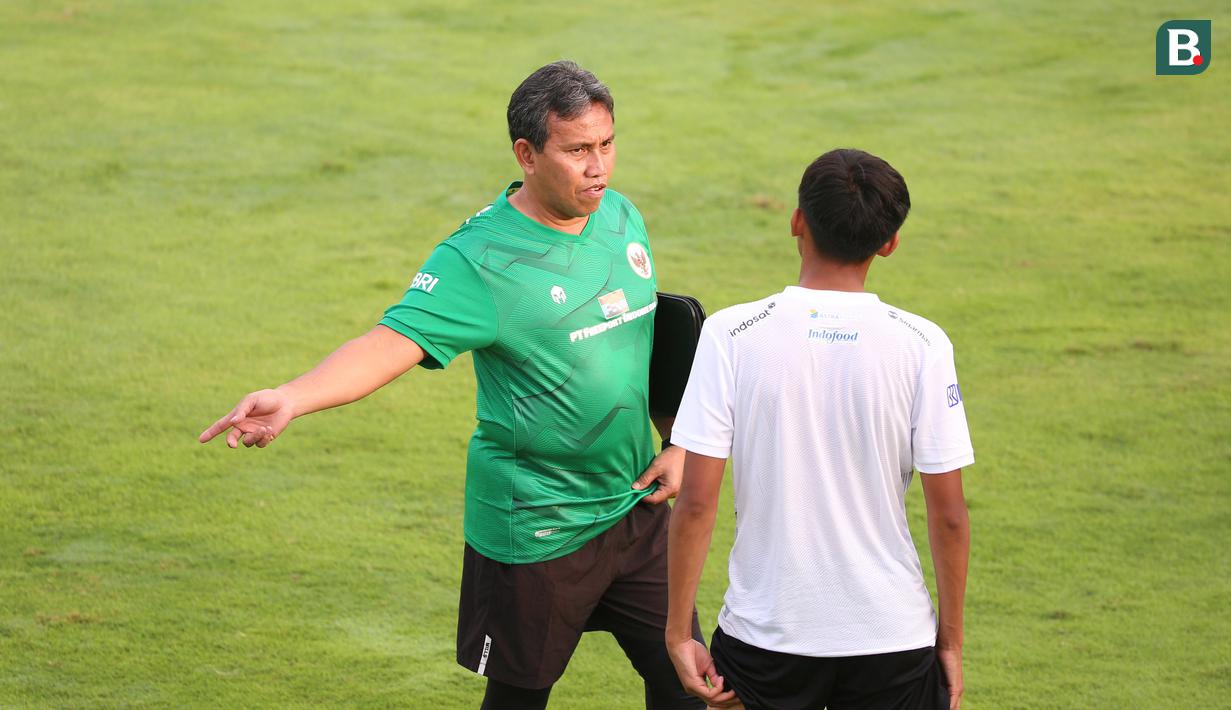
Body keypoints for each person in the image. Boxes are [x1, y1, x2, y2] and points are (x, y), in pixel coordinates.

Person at [199, 60, 704, 710]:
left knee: (690, 685)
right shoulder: (477, 260)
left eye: (607, 144)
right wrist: (294, 396)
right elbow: (387, 344)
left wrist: (679, 440)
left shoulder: (620, 217)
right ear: (526, 154)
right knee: (517, 701)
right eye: (578, 150)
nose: (598, 167)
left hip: (634, 507)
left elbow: (649, 342)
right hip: (537, 527)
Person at [665, 149, 974, 710]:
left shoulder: (731, 335)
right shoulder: (924, 344)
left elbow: (696, 503)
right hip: (893, 640)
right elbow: (949, 515)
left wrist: (677, 632)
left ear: (797, 221)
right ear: (890, 242)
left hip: (763, 641)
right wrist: (950, 641)